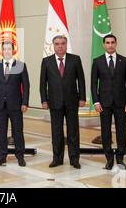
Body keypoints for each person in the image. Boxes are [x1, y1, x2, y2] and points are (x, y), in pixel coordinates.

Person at [40, 35, 86, 169]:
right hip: (54, 102)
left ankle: (74, 159)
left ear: (66, 45)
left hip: (72, 101)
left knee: (73, 132)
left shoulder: (75, 59)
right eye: (57, 44)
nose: (60, 46)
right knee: (56, 132)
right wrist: (44, 99)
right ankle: (57, 159)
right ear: (53, 46)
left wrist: (82, 97)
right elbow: (43, 83)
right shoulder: (47, 61)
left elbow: (81, 80)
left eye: (62, 44)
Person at [91, 35, 126, 170]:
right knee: (105, 131)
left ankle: (120, 158)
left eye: (112, 42)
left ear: (116, 44)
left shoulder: (124, 61)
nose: (110, 45)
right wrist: (96, 102)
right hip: (104, 103)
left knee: (121, 131)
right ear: (104, 44)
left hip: (121, 103)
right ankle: (109, 158)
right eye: (107, 43)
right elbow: (93, 84)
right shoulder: (97, 61)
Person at [0, 41, 30, 167]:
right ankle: (2, 156)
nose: (7, 51)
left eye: (9, 49)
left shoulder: (20, 65)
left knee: (18, 131)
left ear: (13, 50)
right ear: (2, 51)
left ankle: (20, 156)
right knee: (1, 131)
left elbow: (26, 86)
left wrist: (25, 102)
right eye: (4, 49)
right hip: (0, 105)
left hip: (16, 105)